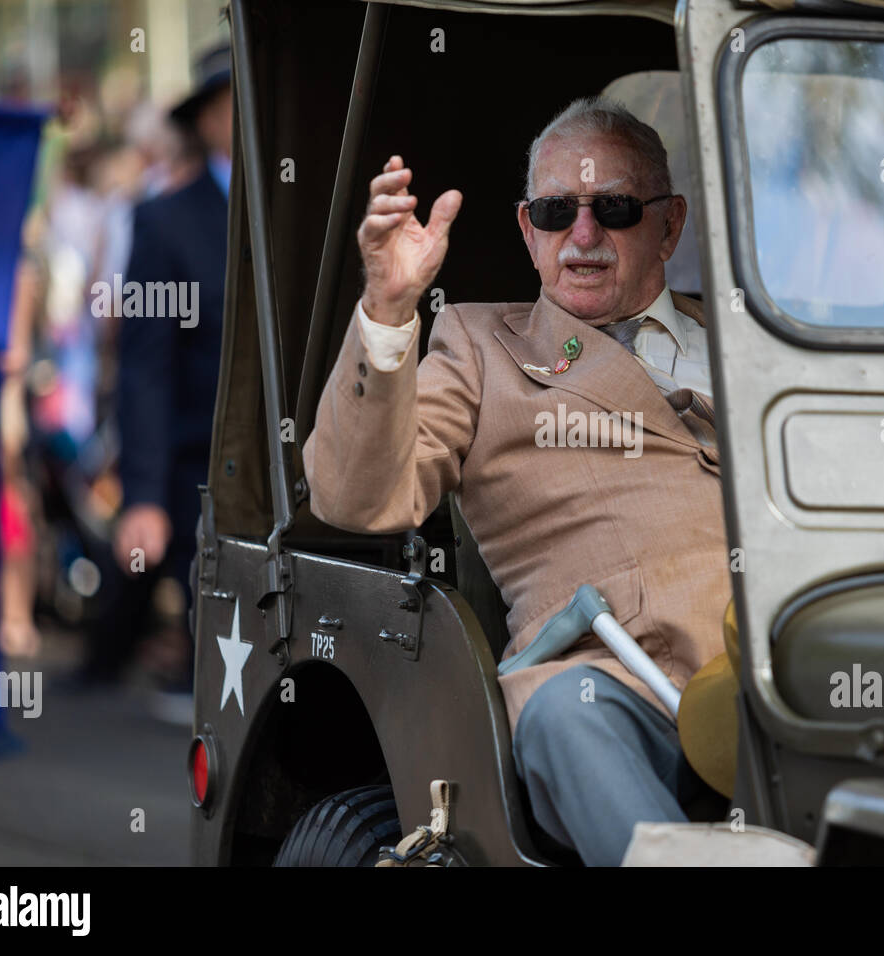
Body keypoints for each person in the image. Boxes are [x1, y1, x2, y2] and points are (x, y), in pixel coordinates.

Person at [303, 98, 731, 865]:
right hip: (624, 680)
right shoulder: (479, 345)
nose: (585, 235)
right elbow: (360, 497)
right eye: (557, 210)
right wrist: (389, 306)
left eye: (616, 208)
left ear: (670, 225)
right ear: (528, 230)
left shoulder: (750, 338)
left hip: (794, 661)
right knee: (569, 714)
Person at [106, 43, 232, 718]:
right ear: (207, 121)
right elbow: (144, 365)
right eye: (232, 103)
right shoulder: (164, 221)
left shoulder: (316, 204)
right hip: (198, 468)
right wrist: (144, 495)